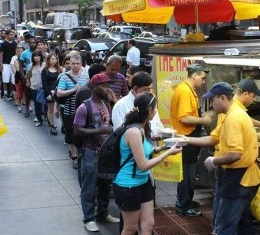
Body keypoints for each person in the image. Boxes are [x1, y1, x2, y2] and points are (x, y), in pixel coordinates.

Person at [185, 82, 260, 234]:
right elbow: (214, 139)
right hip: (242, 177)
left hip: (239, 177)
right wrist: (185, 140)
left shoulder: (234, 117)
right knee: (242, 223)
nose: (211, 104)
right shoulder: (230, 115)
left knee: (225, 225)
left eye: (212, 100)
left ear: (222, 98)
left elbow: (235, 154)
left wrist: (214, 161)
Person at [113, 92, 182, 235]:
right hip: (128, 185)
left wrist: (164, 147)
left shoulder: (142, 128)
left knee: (148, 225)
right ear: (149, 110)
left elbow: (144, 151)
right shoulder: (133, 132)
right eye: (155, 108)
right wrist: (167, 153)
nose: (156, 111)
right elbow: (143, 165)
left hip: (143, 182)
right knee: (130, 228)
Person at [74, 73, 120, 232]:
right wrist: (99, 130)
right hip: (90, 152)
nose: (108, 89)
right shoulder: (84, 107)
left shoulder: (105, 105)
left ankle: (103, 213)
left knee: (105, 185)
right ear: (94, 87)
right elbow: (77, 130)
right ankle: (88, 218)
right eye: (105, 86)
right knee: (89, 187)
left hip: (104, 153)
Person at [170, 64, 213, 217]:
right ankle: (183, 205)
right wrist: (204, 120)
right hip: (185, 138)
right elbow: (185, 118)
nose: (203, 81)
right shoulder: (184, 91)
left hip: (188, 137)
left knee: (188, 173)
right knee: (187, 174)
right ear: (194, 75)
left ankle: (185, 200)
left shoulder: (188, 90)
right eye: (202, 78)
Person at [56, 53, 89, 169]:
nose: (75, 66)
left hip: (83, 109)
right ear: (69, 64)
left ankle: (81, 152)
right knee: (70, 132)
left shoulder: (86, 76)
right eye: (73, 64)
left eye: (77, 64)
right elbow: (59, 93)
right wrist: (73, 90)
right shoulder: (64, 76)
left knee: (82, 131)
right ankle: (74, 156)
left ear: (81, 64)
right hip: (69, 110)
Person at [112, 71, 164, 135]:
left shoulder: (150, 102)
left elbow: (158, 126)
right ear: (135, 89)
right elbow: (121, 133)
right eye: (146, 89)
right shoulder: (120, 106)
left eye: (150, 89)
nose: (149, 92)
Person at [42, 53, 62, 135]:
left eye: (55, 59)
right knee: (50, 110)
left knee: (60, 109)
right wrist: (48, 94)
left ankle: (63, 125)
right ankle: (52, 125)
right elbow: (44, 83)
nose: (54, 61)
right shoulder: (45, 71)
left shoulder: (59, 69)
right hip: (49, 91)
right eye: (52, 59)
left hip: (59, 91)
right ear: (48, 60)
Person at [27, 51, 45, 127]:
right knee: (36, 104)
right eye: (34, 56)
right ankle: (39, 119)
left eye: (38, 56)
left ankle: (47, 117)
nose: (36, 57)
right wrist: (29, 82)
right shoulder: (31, 66)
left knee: (45, 104)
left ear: (41, 57)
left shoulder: (44, 65)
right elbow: (28, 75)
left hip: (43, 88)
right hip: (34, 87)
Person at [19, 38, 36, 117]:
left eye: (34, 43)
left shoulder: (37, 53)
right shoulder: (24, 53)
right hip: (28, 76)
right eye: (31, 43)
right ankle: (27, 109)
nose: (33, 44)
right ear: (28, 44)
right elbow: (20, 65)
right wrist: (23, 75)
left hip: (37, 76)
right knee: (27, 94)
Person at [0, 30, 17, 101]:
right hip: (5, 64)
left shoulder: (14, 43)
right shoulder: (3, 44)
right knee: (5, 79)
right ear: (7, 35)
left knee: (12, 80)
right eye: (10, 34)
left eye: (13, 34)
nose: (12, 36)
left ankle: (12, 93)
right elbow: (1, 54)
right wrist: (1, 64)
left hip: (12, 64)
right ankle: (5, 93)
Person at [11, 46, 25, 112]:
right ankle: (19, 107)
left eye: (22, 51)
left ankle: (28, 106)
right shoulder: (16, 60)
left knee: (26, 93)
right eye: (19, 51)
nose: (20, 52)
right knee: (19, 92)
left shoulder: (27, 59)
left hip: (26, 79)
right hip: (19, 78)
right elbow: (18, 69)